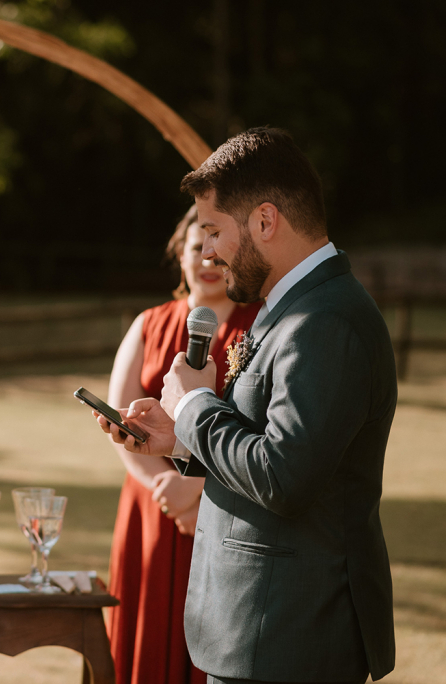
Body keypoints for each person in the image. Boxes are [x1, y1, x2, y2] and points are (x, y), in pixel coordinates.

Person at [100, 127, 396, 683]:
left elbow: (284, 477)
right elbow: (265, 442)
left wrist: (195, 409)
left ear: (265, 221)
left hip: (290, 634)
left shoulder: (325, 322)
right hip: (261, 631)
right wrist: (181, 441)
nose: (204, 249)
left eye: (212, 230)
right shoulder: (289, 307)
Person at [104, 206, 260, 684]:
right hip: (151, 505)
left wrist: (195, 488)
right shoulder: (148, 323)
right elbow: (121, 416)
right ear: (181, 256)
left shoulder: (259, 326)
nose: (206, 261)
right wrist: (163, 487)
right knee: (148, 627)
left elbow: (262, 428)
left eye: (214, 250)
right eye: (196, 248)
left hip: (223, 503)